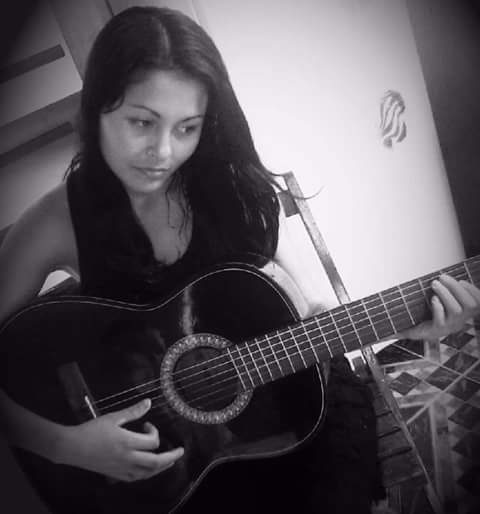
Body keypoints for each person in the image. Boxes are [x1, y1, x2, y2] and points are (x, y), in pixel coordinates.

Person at [0, 6, 479, 514]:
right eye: (141, 122)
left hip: (292, 405)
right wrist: (65, 445)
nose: (163, 151)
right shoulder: (55, 220)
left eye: (187, 127)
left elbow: (311, 312)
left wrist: (411, 322)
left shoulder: (235, 189)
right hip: (173, 463)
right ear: (98, 107)